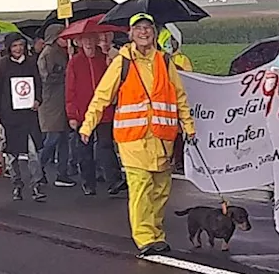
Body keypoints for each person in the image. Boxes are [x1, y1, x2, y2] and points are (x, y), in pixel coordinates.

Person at [80, 13, 196, 258]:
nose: (144, 33)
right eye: (139, 29)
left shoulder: (164, 61)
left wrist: (188, 126)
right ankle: (145, 238)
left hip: (162, 136)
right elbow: (103, 95)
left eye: (148, 28)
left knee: (161, 189)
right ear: (131, 34)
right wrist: (88, 125)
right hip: (133, 137)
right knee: (141, 187)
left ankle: (156, 233)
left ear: (154, 33)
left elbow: (179, 96)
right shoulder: (122, 62)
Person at [0, 33, 47, 202]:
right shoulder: (1, 65)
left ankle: (36, 185)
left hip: (28, 115)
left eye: (20, 45)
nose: (18, 49)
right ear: (8, 48)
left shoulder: (31, 63)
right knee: (12, 154)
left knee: (33, 152)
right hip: (9, 116)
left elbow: (38, 85)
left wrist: (37, 99)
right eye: (14, 46)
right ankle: (17, 185)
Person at [67, 31, 123, 196]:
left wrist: (110, 59)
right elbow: (70, 90)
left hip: (104, 110)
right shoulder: (75, 62)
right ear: (80, 43)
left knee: (106, 145)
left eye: (92, 40)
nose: (89, 44)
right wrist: (72, 114)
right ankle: (88, 182)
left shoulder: (104, 59)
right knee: (85, 148)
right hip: (83, 113)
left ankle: (114, 180)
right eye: (86, 41)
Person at [37, 24, 75, 188]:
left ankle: (62, 173)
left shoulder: (63, 53)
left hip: (63, 100)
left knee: (64, 138)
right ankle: (38, 168)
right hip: (51, 102)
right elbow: (45, 78)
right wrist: (67, 72)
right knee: (53, 138)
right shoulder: (47, 55)